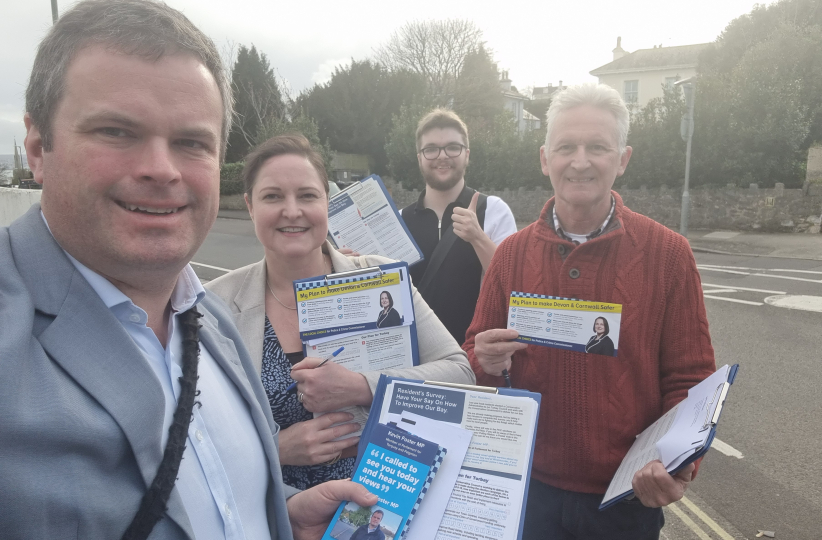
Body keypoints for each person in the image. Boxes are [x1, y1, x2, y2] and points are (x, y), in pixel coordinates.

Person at [0, 1, 376, 538]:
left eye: (191, 142)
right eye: (116, 131)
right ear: (38, 148)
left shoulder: (211, 319)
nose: (161, 168)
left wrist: (279, 517)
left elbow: (213, 492)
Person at [464, 83, 716, 539]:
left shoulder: (669, 254)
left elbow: (690, 381)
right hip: (525, 493)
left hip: (625, 501)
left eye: (597, 147)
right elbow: (475, 360)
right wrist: (485, 360)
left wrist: (676, 461)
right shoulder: (510, 256)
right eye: (566, 147)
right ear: (545, 159)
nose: (580, 161)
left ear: (622, 158)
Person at [206, 134, 474, 490]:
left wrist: (364, 386)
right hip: (275, 513)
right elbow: (198, 433)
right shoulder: (216, 303)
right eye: (272, 196)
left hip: (384, 498)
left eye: (307, 195)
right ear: (249, 206)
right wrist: (273, 448)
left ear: (327, 203)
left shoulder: (380, 278)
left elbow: (460, 375)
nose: (292, 210)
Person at [401, 109, 517, 345]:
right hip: (417, 361)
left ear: (466, 154)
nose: (442, 156)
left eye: (453, 147)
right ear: (419, 157)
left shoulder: (494, 210)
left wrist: (478, 237)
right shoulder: (401, 220)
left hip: (476, 357)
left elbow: (514, 285)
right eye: (431, 149)